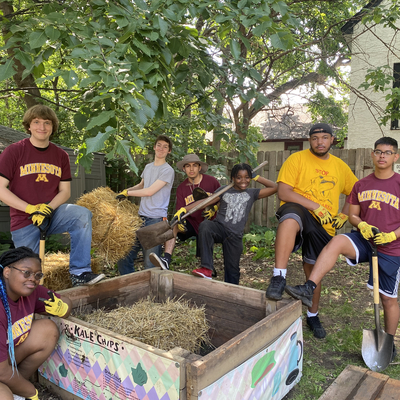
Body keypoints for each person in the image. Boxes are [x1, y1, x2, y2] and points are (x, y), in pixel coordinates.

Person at [285, 137, 399, 357]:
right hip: (365, 239)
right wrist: (361, 224)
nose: (382, 156)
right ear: (373, 155)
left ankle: (389, 341)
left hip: (392, 247)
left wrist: (392, 235)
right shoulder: (361, 185)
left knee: (387, 298)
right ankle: (308, 287)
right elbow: (353, 215)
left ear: (396, 156)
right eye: (378, 151)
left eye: (387, 152)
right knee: (336, 241)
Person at [265, 123, 358, 338]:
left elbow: (356, 192)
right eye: (315, 138)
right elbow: (284, 192)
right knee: (289, 218)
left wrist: (344, 214)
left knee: (313, 271)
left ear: (332, 139)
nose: (320, 142)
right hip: (301, 211)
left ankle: (313, 315)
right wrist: (315, 206)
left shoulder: (340, 166)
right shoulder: (296, 159)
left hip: (324, 226)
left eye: (325, 137)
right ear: (310, 140)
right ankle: (279, 277)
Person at [0, 105, 104, 287]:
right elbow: (1, 189)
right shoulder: (14, 151)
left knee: (81, 215)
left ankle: (80, 272)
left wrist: (48, 208)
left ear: (53, 126)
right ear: (28, 126)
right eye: (37, 122)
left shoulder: (60, 155)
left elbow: (65, 191)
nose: (42, 127)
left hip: (52, 214)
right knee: (26, 276)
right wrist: (31, 209)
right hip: (24, 220)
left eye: (47, 123)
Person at [0, 246, 72, 400]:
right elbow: (1, 371)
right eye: (26, 272)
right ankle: (16, 390)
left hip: (4, 360)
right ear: (7, 272)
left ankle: (18, 386)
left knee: (47, 330)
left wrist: (63, 308)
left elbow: (66, 301)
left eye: (37, 274)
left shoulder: (32, 291)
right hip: (1, 368)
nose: (33, 278)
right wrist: (33, 393)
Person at [190, 163, 277, 284]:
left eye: (247, 177)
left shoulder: (252, 193)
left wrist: (257, 177)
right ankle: (207, 268)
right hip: (220, 228)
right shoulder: (224, 190)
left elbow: (274, 187)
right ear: (233, 178)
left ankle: (231, 296)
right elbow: (206, 202)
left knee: (233, 271)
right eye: (239, 177)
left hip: (235, 236)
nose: (243, 180)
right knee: (205, 226)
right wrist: (184, 209)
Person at [149, 154, 220, 271]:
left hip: (210, 223)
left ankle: (207, 267)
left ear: (199, 167)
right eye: (188, 166)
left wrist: (215, 208)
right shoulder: (182, 188)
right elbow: (180, 210)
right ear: (184, 169)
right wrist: (180, 221)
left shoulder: (211, 181)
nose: (191, 169)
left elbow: (223, 198)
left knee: (205, 228)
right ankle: (166, 260)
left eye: (194, 166)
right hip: (192, 222)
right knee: (173, 224)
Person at [116, 135, 175, 274]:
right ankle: (131, 289)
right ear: (154, 147)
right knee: (123, 258)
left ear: (169, 151)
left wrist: (128, 194)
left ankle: (152, 295)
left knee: (150, 264)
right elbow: (142, 185)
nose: (161, 148)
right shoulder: (148, 167)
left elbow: (149, 192)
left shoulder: (168, 170)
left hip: (155, 220)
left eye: (165, 147)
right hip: (139, 218)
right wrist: (125, 191)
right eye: (159, 145)